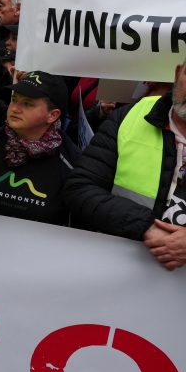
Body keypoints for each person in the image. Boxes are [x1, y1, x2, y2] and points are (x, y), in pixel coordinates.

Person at [64, 57, 186, 269]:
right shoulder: (130, 116)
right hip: (120, 268)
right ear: (177, 74)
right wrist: (146, 226)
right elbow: (80, 189)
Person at [0, 71, 81, 225]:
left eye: (27, 103)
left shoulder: (72, 161)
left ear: (52, 115)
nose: (15, 108)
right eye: (14, 99)